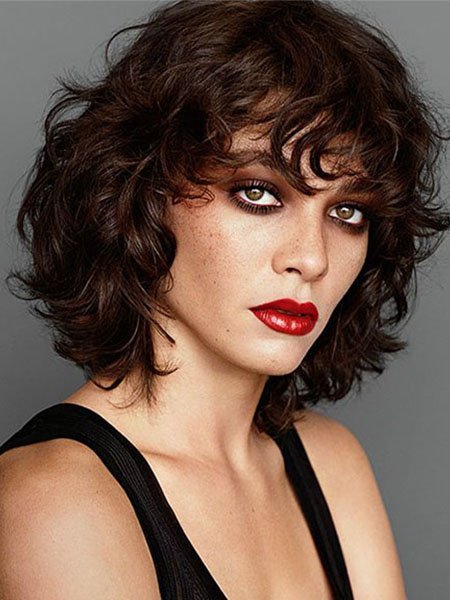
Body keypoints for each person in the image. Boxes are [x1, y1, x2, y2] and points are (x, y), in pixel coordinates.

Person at [0, 0, 448, 598]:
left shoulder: (330, 461)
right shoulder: (52, 498)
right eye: (259, 193)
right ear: (142, 195)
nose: (312, 258)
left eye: (347, 212)